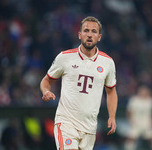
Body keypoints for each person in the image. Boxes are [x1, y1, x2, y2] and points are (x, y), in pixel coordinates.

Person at [40, 16, 118, 150]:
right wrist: (46, 91)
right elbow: (46, 80)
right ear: (79, 35)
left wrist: (112, 116)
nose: (89, 34)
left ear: (99, 37)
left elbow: (111, 91)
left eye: (93, 31)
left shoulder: (108, 63)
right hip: (66, 123)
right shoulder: (65, 57)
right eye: (86, 30)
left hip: (90, 127)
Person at [124, 85, 152, 150]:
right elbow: (129, 111)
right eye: (142, 90)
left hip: (147, 123)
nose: (143, 92)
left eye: (145, 90)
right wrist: (131, 120)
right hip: (136, 123)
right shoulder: (133, 100)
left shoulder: (150, 101)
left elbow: (151, 113)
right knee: (131, 139)